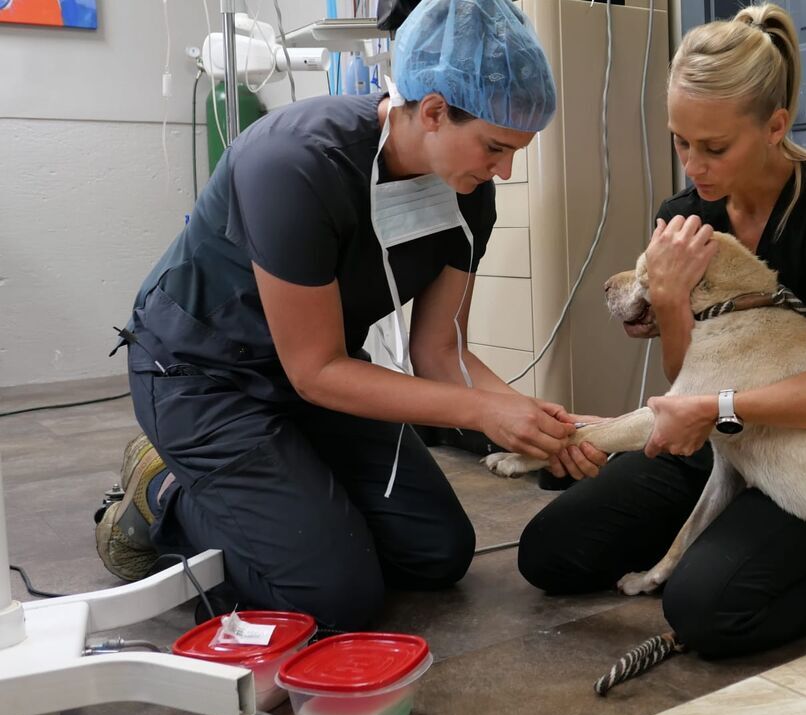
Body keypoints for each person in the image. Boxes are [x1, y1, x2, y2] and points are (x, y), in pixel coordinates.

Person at [97, 0, 605, 631]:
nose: (504, 170)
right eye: (496, 147)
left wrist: (537, 423)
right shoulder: (293, 163)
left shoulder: (469, 195)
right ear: (434, 111)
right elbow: (315, 371)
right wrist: (484, 413)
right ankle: (164, 492)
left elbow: (440, 352)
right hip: (205, 380)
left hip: (322, 379)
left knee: (437, 553)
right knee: (332, 599)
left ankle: (292, 495)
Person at [518, 2, 806, 658]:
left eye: (715, 147)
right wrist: (672, 304)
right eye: (680, 141)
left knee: (704, 611)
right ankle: (727, 548)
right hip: (719, 443)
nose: (693, 165)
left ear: (775, 126)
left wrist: (719, 408)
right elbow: (686, 381)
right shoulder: (685, 215)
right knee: (549, 553)